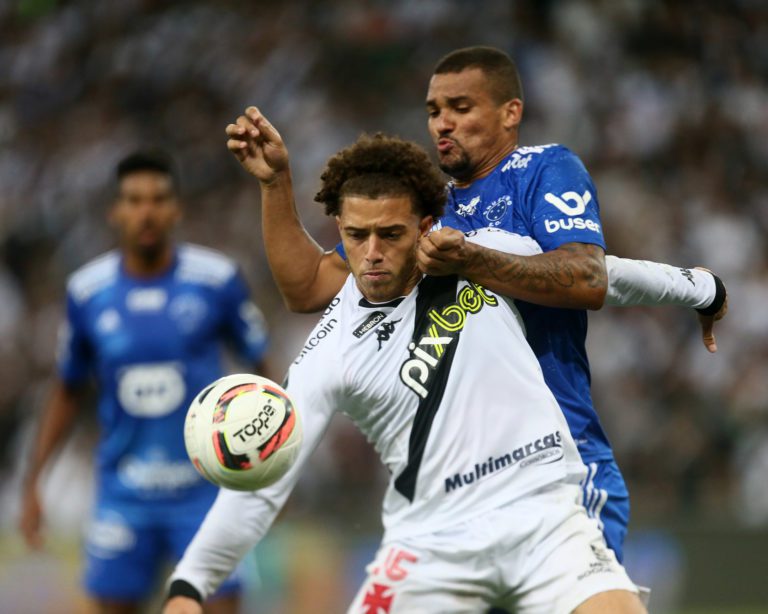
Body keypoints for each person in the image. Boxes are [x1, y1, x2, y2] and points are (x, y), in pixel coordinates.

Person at [223, 46, 727, 565]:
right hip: (459, 486)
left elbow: (587, 277)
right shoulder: (424, 208)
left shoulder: (543, 169)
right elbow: (307, 287)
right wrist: (274, 183)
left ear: (510, 112)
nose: (443, 123)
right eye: (434, 110)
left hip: (558, 466)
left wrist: (469, 258)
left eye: (461, 108)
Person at [164, 132, 646, 614]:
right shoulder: (329, 350)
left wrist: (701, 290)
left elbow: (597, 275)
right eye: (356, 236)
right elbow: (269, 471)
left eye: (390, 234)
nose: (372, 252)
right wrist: (189, 584)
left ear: (424, 226)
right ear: (340, 230)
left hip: (544, 520)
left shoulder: (482, 254)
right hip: (430, 544)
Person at [19, 149, 270, 614]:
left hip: (205, 493)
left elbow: (265, 372)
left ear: (176, 209)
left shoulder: (217, 280)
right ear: (116, 211)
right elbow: (66, 389)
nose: (146, 211)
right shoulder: (87, 292)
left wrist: (274, 464)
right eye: (134, 200)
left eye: (158, 199)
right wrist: (33, 482)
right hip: (123, 494)